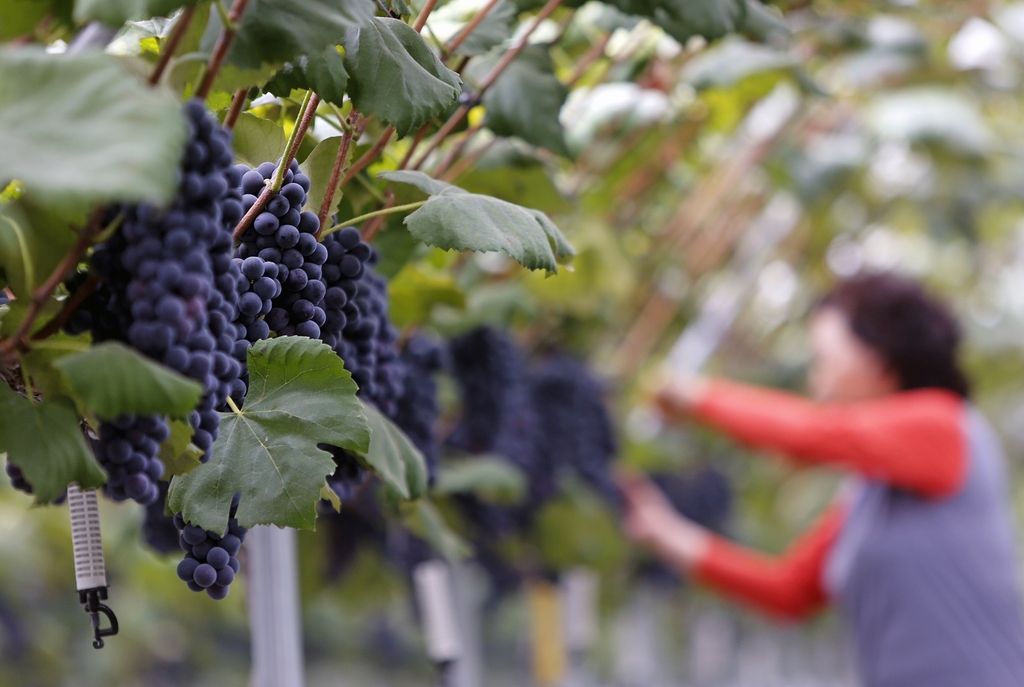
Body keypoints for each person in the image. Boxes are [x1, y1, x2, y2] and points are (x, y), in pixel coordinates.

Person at [619, 272, 1024, 687]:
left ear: (880, 358)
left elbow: (813, 435)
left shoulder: (944, 425)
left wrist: (694, 396)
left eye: (825, 361)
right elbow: (788, 590)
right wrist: (662, 531)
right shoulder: (870, 495)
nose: (817, 381)